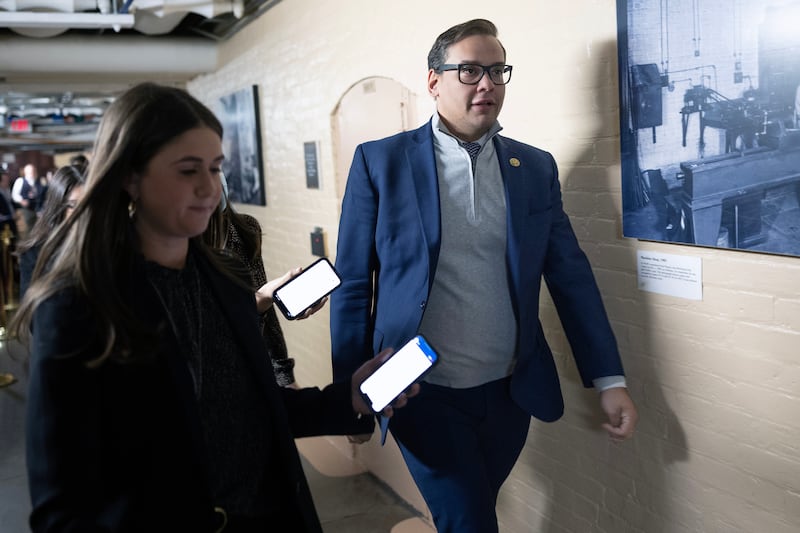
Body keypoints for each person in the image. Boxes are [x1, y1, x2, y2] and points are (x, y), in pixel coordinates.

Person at [9, 82, 415, 533]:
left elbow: (248, 409)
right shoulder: (78, 303)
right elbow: (61, 502)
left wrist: (349, 398)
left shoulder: (223, 277)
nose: (209, 187)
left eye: (216, 167)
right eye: (187, 170)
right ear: (129, 176)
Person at [330, 18, 638, 532]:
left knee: (473, 512)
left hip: (509, 395)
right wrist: (347, 394)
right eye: (470, 70)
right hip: (418, 392)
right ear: (434, 81)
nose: (487, 84)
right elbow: (354, 284)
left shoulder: (534, 168)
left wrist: (609, 379)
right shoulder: (380, 162)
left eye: (497, 71)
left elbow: (571, 278)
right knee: (470, 521)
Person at [204, 186, 297, 386]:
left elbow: (266, 317)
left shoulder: (243, 229)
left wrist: (284, 377)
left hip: (249, 371)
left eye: (215, 167)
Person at [16, 165, 85, 299]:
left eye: (88, 204)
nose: (82, 213)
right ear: (58, 207)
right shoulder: (35, 253)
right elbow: (29, 312)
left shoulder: (108, 245)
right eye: (72, 205)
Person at [11, 163, 45, 236]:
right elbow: (14, 195)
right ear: (26, 172)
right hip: (26, 210)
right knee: (29, 229)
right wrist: (21, 200)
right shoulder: (20, 181)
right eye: (30, 172)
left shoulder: (39, 181)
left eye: (33, 171)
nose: (32, 173)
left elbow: (42, 195)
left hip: (38, 209)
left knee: (39, 229)